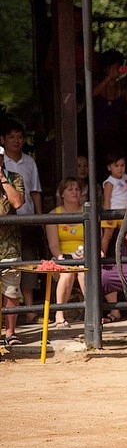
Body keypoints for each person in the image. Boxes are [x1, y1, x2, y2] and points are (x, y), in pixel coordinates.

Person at [1, 119, 43, 321]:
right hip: (7, 224)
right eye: (12, 137)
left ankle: (30, 309)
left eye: (20, 137)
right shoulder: (3, 163)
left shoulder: (29, 162)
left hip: (26, 218)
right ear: (3, 140)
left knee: (26, 263)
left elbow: (35, 192)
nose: (16, 141)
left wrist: (40, 218)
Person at [45, 177, 86, 328]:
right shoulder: (53, 215)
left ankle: (92, 313)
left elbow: (95, 238)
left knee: (84, 272)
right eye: (70, 189)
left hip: (84, 256)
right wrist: (64, 259)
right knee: (67, 272)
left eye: (77, 189)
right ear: (62, 194)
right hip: (62, 257)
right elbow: (53, 245)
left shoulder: (86, 211)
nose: (74, 192)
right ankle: (59, 314)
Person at [92, 49, 127, 166]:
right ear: (105, 68)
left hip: (117, 137)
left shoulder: (121, 87)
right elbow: (92, 94)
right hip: (99, 137)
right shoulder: (97, 84)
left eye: (117, 67)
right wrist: (109, 77)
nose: (115, 70)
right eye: (111, 67)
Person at [0, 146, 26, 345]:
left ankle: (10, 332)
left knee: (11, 290)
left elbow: (17, 203)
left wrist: (2, 179)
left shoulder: (14, 178)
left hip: (9, 247)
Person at [100, 151, 127, 257]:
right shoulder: (109, 182)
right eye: (116, 166)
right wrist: (107, 214)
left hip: (124, 213)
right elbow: (106, 199)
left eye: (122, 165)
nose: (120, 168)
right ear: (109, 167)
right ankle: (102, 253)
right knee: (107, 235)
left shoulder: (126, 178)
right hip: (112, 213)